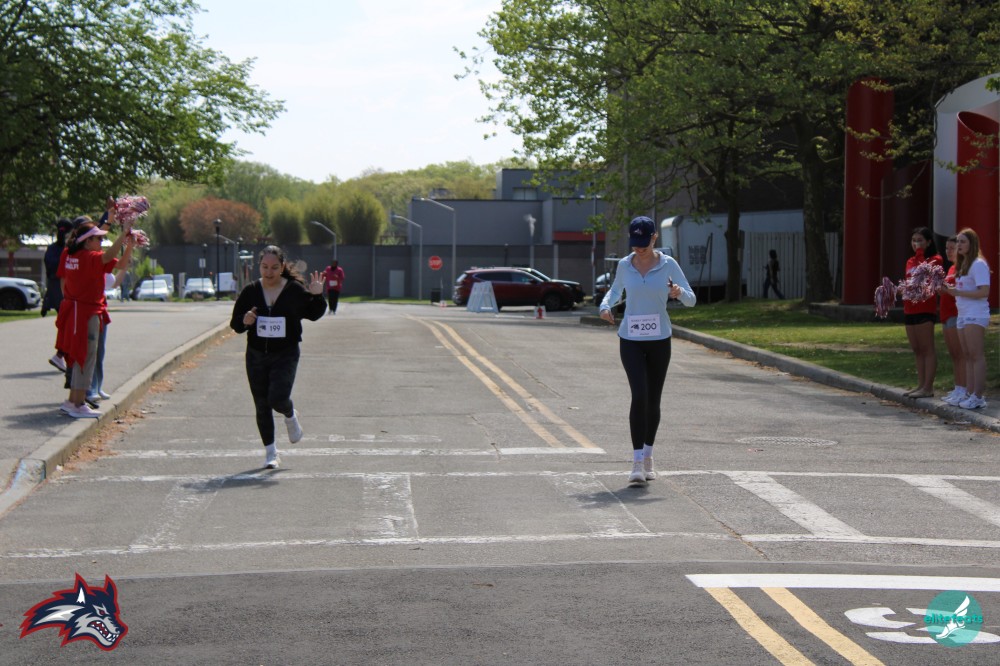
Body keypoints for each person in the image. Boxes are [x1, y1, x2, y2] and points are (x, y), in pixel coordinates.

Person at [599, 216, 696, 487]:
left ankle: (649, 455)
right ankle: (637, 462)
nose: (638, 248)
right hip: (630, 339)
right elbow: (614, 291)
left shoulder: (668, 264)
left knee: (653, 399)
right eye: (634, 243)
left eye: (644, 243)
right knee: (639, 395)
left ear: (654, 238)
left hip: (659, 339)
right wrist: (604, 307)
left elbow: (691, 299)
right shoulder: (624, 265)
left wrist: (678, 292)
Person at [230, 246, 327, 469]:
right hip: (256, 355)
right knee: (261, 404)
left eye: (274, 267)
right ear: (259, 266)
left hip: (286, 353)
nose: (269, 272)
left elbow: (314, 314)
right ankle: (271, 453)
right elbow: (235, 324)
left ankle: (290, 414)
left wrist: (317, 295)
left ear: (282, 267)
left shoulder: (293, 290)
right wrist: (244, 320)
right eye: (265, 267)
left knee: (277, 398)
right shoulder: (251, 291)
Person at [54, 204, 128, 419]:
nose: (101, 242)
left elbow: (116, 260)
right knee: (85, 357)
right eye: (98, 239)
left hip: (75, 310)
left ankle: (73, 401)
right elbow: (110, 256)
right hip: (85, 312)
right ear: (87, 241)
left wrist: (113, 224)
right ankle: (77, 403)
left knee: (78, 357)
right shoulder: (88, 257)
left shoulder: (71, 253)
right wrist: (123, 235)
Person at [939, 228, 990, 410]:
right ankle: (968, 393)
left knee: (976, 355)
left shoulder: (978, 264)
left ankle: (978, 396)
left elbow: (984, 291)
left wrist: (958, 293)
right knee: (967, 355)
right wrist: (948, 290)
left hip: (975, 314)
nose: (958, 245)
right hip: (962, 313)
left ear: (972, 243)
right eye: (958, 242)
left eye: (962, 242)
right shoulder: (963, 265)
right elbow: (960, 290)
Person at [901, 227, 941, 398]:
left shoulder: (935, 260)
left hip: (925, 308)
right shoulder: (910, 261)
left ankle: (928, 387)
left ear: (928, 242)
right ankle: (920, 384)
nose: (916, 244)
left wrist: (919, 253)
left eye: (920, 240)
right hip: (910, 308)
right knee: (917, 349)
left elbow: (922, 272)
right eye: (913, 240)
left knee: (927, 348)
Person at [43, 218, 74, 372]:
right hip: (62, 287)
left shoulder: (52, 250)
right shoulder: (67, 251)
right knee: (68, 324)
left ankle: (62, 354)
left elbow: (49, 269)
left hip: (55, 287)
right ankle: (62, 355)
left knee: (65, 323)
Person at [938, 236, 966, 405]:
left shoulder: (962, 268)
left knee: (960, 354)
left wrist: (946, 288)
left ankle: (964, 389)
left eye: (952, 248)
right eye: (947, 248)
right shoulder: (951, 268)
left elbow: (959, 290)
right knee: (954, 354)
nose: (948, 251)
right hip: (946, 314)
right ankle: (958, 387)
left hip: (956, 313)